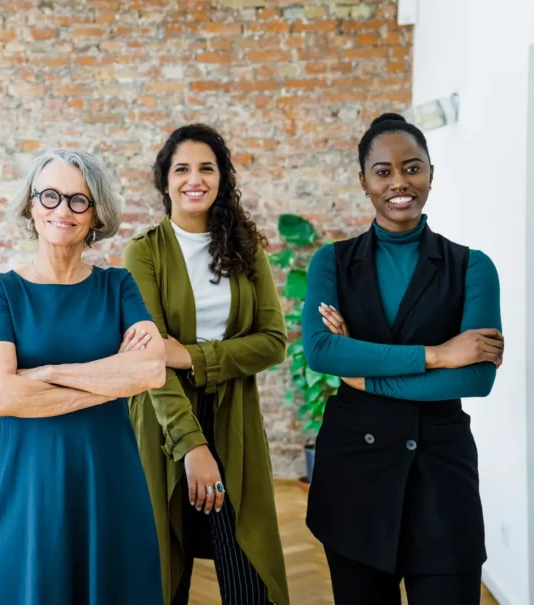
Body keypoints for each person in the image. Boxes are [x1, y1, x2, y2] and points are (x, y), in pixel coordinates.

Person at [303, 113, 504, 605]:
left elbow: (477, 377)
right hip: (355, 477)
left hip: (441, 478)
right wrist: (439, 355)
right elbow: (323, 350)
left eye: (412, 168)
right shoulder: (331, 262)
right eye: (383, 171)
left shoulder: (473, 266)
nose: (399, 183)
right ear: (364, 181)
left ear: (431, 173)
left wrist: (365, 378)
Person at [0, 149, 165, 605]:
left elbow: (151, 368)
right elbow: (1, 395)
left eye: (79, 201)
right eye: (51, 196)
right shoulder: (2, 290)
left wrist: (52, 373)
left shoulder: (118, 285)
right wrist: (112, 378)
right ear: (31, 205)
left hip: (110, 480)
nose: (64, 210)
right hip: (31, 485)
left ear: (96, 214)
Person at [124, 124, 290, 605]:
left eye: (206, 168)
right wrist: (192, 446)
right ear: (165, 180)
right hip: (163, 422)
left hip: (235, 417)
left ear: (222, 178)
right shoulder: (144, 252)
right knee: (162, 569)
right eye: (181, 169)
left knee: (248, 571)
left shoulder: (246, 248)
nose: (194, 179)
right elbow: (150, 358)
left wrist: (192, 355)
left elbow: (273, 342)